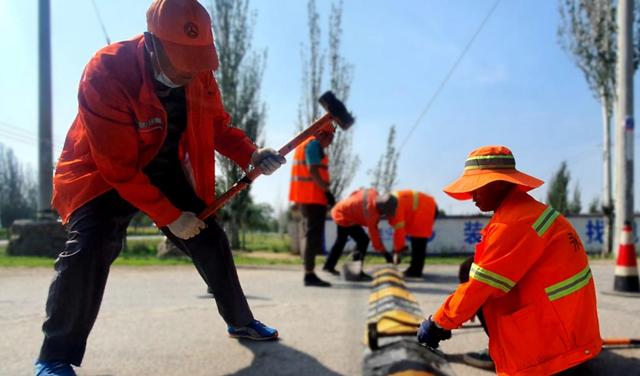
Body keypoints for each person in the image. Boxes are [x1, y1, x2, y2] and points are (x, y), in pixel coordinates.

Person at [34, 1, 286, 375]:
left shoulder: (199, 72)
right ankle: (55, 356)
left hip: (161, 166)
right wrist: (170, 217)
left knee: (210, 238)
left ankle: (240, 320)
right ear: (152, 43)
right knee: (91, 246)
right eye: (182, 59)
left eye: (198, 59)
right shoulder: (106, 72)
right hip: (101, 169)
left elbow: (217, 126)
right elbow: (118, 168)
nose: (191, 71)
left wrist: (250, 153)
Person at [417, 145, 601, 375]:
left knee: (480, 285)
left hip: (556, 346)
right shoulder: (525, 211)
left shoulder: (513, 223)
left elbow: (478, 288)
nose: (472, 196)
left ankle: (518, 356)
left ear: (500, 184)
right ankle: (501, 350)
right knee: (470, 269)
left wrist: (437, 323)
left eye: (477, 188)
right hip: (571, 326)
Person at [289, 129, 337, 287]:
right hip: (313, 198)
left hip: (307, 198)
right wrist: (326, 190)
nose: (331, 141)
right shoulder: (313, 145)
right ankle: (309, 274)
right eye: (330, 136)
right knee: (313, 235)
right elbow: (313, 169)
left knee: (310, 235)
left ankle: (309, 272)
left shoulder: (305, 145)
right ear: (322, 133)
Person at [323, 188, 398, 280]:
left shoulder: (373, 192)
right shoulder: (371, 215)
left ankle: (328, 266)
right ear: (382, 209)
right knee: (362, 240)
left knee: (342, 241)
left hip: (342, 208)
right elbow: (375, 239)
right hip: (342, 216)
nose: (385, 215)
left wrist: (353, 207)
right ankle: (356, 271)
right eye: (385, 212)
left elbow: (355, 192)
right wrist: (386, 254)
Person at [387, 190, 437, 278]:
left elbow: (399, 231)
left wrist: (398, 251)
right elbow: (397, 230)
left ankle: (416, 270)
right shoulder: (392, 200)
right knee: (417, 240)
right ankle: (415, 268)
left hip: (425, 208)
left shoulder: (395, 207)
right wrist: (397, 249)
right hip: (424, 206)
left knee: (418, 240)